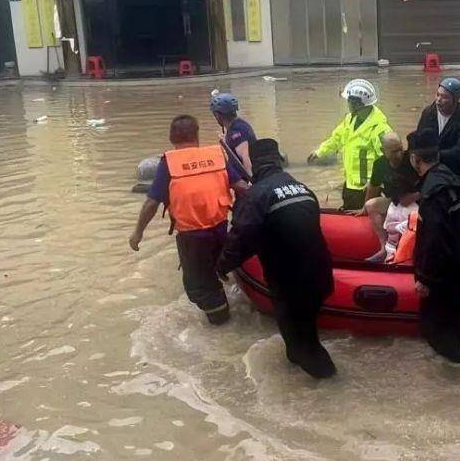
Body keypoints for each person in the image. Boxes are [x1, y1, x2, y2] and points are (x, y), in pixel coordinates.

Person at [218, 138, 336, 379]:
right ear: (279, 161)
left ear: (254, 164)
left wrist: (221, 266)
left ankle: (332, 392)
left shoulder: (257, 196)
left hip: (291, 285)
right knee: (305, 333)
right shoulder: (302, 188)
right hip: (321, 277)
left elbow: (240, 238)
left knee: (304, 344)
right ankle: (298, 370)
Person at [129, 115, 248, 325]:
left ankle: (222, 323)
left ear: (172, 137)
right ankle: (229, 297)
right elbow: (241, 187)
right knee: (216, 270)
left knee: (199, 287)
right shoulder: (216, 155)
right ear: (196, 135)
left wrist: (137, 232)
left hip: (193, 237)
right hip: (222, 230)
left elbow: (151, 203)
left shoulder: (169, 163)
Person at [409, 128, 460, 365]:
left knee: (438, 334)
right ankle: (457, 368)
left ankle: (454, 376)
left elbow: (433, 238)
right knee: (454, 327)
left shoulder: (432, 192)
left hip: (441, 276)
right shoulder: (452, 178)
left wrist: (424, 277)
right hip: (458, 265)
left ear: (415, 158)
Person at [308, 79, 393, 211]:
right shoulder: (350, 119)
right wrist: (320, 152)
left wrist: (376, 185)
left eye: (349, 100)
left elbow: (386, 161)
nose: (347, 103)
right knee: (348, 208)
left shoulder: (380, 130)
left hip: (367, 188)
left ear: (357, 103)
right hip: (350, 183)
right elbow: (336, 138)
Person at [362, 132, 419, 261]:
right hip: (395, 201)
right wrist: (363, 208)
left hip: (415, 202)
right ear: (383, 151)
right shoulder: (379, 164)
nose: (399, 154)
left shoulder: (412, 159)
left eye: (400, 149)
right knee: (371, 205)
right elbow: (373, 186)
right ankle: (383, 248)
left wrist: (414, 197)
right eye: (393, 152)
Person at [417, 77, 460, 176]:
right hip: (429, 170)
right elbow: (419, 138)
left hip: (453, 172)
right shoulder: (428, 113)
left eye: (444, 97)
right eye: (437, 95)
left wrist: (436, 155)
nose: (438, 100)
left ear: (455, 100)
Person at [210, 92, 256, 177]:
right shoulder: (239, 124)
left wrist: (252, 183)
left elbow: (246, 159)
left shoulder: (236, 131)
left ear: (217, 115)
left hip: (245, 180)